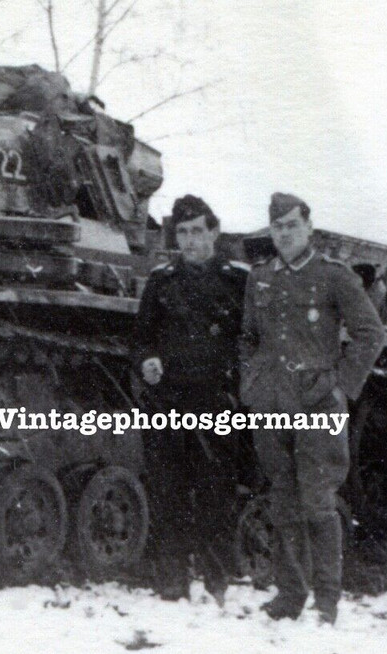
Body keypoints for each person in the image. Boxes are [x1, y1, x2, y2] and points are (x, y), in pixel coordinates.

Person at [239, 192, 384, 624]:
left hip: (318, 403)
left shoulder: (333, 276)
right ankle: (290, 595)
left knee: (319, 502)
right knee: (283, 500)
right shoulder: (259, 278)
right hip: (271, 403)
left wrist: (341, 387)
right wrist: (252, 380)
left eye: (292, 225)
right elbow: (248, 337)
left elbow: (370, 333)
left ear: (309, 228)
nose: (285, 234)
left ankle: (327, 601)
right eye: (277, 227)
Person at [133, 195, 248, 605]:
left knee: (216, 490)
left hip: (217, 398)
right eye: (182, 232)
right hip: (169, 399)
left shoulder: (238, 281)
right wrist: (146, 360)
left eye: (197, 231)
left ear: (214, 232)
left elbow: (252, 338)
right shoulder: (161, 280)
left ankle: (216, 580)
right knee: (168, 490)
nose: (190, 240)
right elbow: (142, 337)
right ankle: (172, 580)